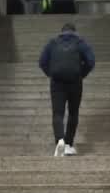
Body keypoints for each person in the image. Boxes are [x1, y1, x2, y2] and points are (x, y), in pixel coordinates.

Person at [38, 22, 95, 156]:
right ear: (74, 32)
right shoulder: (80, 43)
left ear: (61, 32)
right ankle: (68, 144)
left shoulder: (52, 43)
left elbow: (42, 62)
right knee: (73, 113)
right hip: (75, 82)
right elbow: (91, 61)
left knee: (58, 113)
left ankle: (60, 140)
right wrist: (82, 74)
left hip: (57, 83)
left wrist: (51, 74)